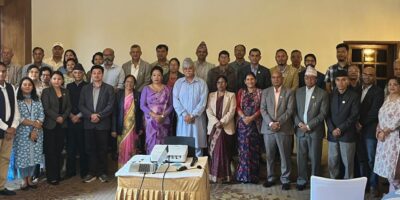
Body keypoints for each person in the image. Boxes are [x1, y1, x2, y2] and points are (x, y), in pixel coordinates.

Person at [294, 66, 329, 191]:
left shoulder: (323, 93)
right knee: (301, 157)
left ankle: (315, 181)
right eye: (307, 77)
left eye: (312, 78)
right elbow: (294, 111)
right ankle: (301, 180)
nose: (309, 80)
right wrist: (299, 124)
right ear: (304, 78)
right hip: (300, 130)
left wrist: (309, 126)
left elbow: (323, 113)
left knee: (315, 158)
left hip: (314, 131)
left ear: (316, 79)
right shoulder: (298, 92)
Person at [78, 65, 115, 183]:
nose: (97, 75)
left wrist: (99, 115)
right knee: (90, 149)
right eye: (94, 73)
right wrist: (90, 115)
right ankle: (92, 172)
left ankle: (103, 172)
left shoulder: (109, 88)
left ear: (102, 75)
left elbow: (110, 105)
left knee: (103, 149)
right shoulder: (85, 88)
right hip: (89, 124)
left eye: (99, 73)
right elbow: (81, 105)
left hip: (103, 124)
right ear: (91, 75)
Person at [261, 71, 295, 190]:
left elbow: (290, 110)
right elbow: (263, 109)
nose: (276, 79)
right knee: (269, 155)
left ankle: (285, 179)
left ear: (282, 78)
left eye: (278, 77)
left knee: (284, 155)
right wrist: (271, 123)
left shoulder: (289, 92)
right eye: (273, 77)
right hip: (268, 129)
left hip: (284, 128)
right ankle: (270, 178)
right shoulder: (265, 92)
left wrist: (278, 123)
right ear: (271, 79)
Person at [356, 66, 384, 197]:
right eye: (365, 74)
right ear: (361, 75)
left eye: (370, 74)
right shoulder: (356, 89)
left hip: (370, 130)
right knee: (361, 159)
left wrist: (361, 123)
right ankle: (364, 185)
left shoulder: (378, 91)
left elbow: (374, 112)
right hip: (356, 129)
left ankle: (373, 185)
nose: (367, 76)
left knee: (371, 159)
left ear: (374, 77)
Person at [327, 70, 359, 179]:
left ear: (348, 81)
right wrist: (332, 129)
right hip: (332, 135)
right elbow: (327, 115)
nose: (340, 82)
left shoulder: (354, 96)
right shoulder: (331, 95)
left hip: (347, 134)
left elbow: (354, 116)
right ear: (335, 82)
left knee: (348, 163)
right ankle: (333, 182)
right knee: (332, 161)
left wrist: (340, 129)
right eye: (338, 80)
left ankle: (348, 185)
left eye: (344, 80)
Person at [173, 58, 208, 156]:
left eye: (190, 68)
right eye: (185, 68)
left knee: (197, 147)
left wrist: (192, 115)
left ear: (194, 68)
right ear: (183, 70)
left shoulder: (202, 83)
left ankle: (199, 170)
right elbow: (176, 101)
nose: (188, 70)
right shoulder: (178, 83)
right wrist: (185, 115)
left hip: (196, 119)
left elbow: (203, 102)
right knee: (183, 147)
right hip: (183, 120)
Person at [14, 77, 44, 190]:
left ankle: (30, 179)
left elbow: (42, 115)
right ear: (20, 87)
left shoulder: (37, 100)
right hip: (22, 134)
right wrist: (33, 123)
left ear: (33, 87)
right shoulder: (17, 101)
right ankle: (23, 179)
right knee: (22, 157)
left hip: (37, 133)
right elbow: (19, 117)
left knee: (34, 156)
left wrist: (35, 130)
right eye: (25, 84)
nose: (27, 86)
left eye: (29, 85)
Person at [41, 71, 71, 185]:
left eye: (59, 79)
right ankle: (51, 176)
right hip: (50, 125)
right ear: (51, 80)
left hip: (62, 125)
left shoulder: (66, 92)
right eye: (54, 78)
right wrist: (57, 117)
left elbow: (69, 107)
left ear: (62, 80)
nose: (56, 81)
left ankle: (57, 175)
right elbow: (46, 108)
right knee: (50, 151)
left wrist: (63, 117)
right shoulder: (46, 91)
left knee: (59, 150)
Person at [206, 75, 236, 183]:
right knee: (215, 152)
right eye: (218, 82)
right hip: (214, 128)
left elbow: (232, 111)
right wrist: (216, 122)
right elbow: (208, 110)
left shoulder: (231, 95)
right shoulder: (211, 95)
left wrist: (222, 122)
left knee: (225, 153)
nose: (221, 84)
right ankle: (214, 176)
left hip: (226, 127)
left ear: (226, 84)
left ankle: (225, 176)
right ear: (216, 84)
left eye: (223, 82)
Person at [374, 77, 400, 192]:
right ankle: (392, 193)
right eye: (390, 84)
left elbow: (397, 120)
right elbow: (381, 116)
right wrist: (378, 130)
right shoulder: (387, 99)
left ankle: (396, 192)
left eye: (395, 84)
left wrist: (385, 131)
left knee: (393, 169)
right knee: (386, 169)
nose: (392, 86)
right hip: (383, 139)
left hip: (393, 138)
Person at [235, 72, 262, 183]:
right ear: (245, 81)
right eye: (248, 79)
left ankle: (254, 177)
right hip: (242, 125)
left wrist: (252, 118)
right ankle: (242, 176)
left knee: (254, 151)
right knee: (243, 150)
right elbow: (236, 106)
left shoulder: (261, 92)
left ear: (255, 80)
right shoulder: (241, 92)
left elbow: (262, 108)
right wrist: (244, 117)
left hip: (255, 125)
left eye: (252, 79)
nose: (250, 81)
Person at [140, 66, 173, 154]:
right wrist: (154, 115)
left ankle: (163, 165)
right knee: (151, 143)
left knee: (164, 144)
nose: (156, 77)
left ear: (162, 77)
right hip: (150, 121)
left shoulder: (168, 89)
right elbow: (142, 106)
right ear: (151, 77)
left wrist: (162, 116)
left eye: (159, 75)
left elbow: (171, 106)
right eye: (154, 75)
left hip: (164, 121)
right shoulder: (146, 89)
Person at [112, 75, 142, 168]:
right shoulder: (119, 94)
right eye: (127, 81)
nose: (129, 84)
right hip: (121, 127)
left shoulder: (137, 94)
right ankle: (122, 169)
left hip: (133, 127)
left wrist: (140, 127)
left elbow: (140, 113)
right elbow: (115, 112)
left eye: (132, 82)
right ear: (124, 83)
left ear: (134, 84)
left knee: (133, 148)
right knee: (122, 148)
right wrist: (113, 129)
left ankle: (132, 169)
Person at [0, 62, 20, 196]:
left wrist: (13, 126)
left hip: (9, 130)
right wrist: (7, 128)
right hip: (3, 128)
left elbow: (16, 110)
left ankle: (1, 186)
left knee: (5, 159)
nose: (1, 74)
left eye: (3, 71)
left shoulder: (11, 87)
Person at [66, 65, 88, 179]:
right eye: (75, 72)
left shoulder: (87, 86)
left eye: (80, 72)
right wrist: (70, 115)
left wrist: (78, 115)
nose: (78, 74)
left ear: (83, 73)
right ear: (72, 74)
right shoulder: (68, 86)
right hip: (70, 119)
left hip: (83, 120)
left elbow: (88, 104)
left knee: (83, 146)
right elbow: (66, 103)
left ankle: (84, 171)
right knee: (71, 147)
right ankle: (70, 171)